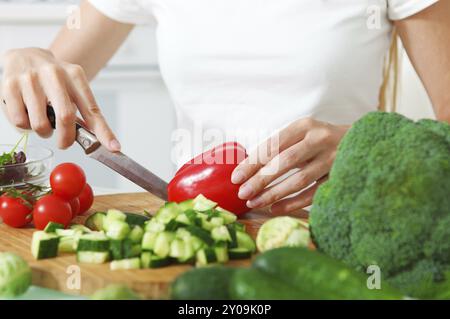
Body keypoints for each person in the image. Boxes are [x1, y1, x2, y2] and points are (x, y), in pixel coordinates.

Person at [1, 0, 449, 214]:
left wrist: (369, 146)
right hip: (200, 229)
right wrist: (24, 62)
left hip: (341, 229)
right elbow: (46, 81)